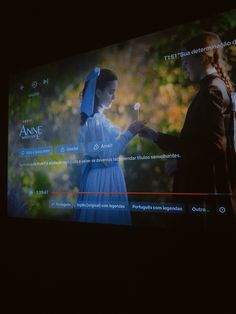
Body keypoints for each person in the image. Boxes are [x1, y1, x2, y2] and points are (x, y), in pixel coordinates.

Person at [140, 32, 236, 218]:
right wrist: (155, 136)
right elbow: (195, 143)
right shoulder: (214, 87)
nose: (183, 66)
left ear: (202, 58)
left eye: (186, 60)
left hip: (205, 196)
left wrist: (180, 164)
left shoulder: (212, 91)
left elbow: (216, 146)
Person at [74, 67, 146, 225]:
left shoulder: (98, 119)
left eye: (115, 91)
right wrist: (130, 132)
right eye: (110, 92)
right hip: (103, 180)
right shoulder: (95, 122)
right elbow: (107, 157)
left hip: (104, 176)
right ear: (98, 93)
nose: (114, 97)